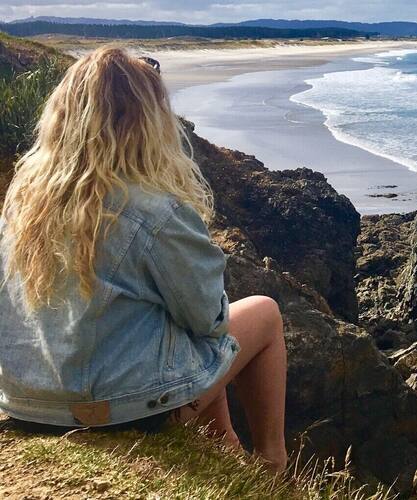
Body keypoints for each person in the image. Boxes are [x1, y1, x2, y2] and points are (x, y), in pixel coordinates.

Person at [0, 47, 288, 471]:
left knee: (172, 322)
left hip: (28, 404)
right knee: (265, 312)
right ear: (147, 122)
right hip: (122, 411)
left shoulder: (22, 203)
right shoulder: (155, 211)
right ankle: (273, 461)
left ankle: (226, 445)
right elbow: (209, 320)